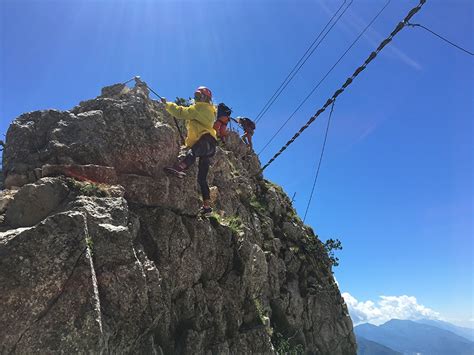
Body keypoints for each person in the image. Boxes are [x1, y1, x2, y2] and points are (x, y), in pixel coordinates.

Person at [162, 86, 217, 215]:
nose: (196, 98)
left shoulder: (200, 108)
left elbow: (181, 112)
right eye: (196, 96)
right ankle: (207, 206)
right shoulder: (209, 111)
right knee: (202, 179)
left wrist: (167, 104)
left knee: (192, 153)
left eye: (198, 96)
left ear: (204, 98)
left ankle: (180, 167)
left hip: (205, 141)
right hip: (211, 146)